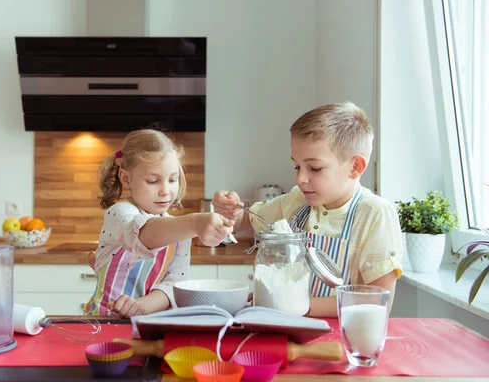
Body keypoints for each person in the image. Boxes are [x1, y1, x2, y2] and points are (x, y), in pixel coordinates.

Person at [213, 102, 403, 317]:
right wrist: (231, 212)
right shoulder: (297, 200)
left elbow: (378, 300)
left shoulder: (375, 214)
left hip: (336, 338)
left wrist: (291, 305)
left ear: (355, 167)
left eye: (315, 168)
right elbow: (246, 222)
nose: (301, 178)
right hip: (287, 326)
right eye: (297, 166)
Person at [86, 129, 234, 318]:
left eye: (173, 179)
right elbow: (143, 233)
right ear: (126, 179)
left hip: (151, 323)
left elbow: (173, 283)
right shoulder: (119, 214)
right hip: (105, 323)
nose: (165, 191)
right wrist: (196, 222)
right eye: (153, 181)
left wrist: (140, 306)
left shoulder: (180, 231)